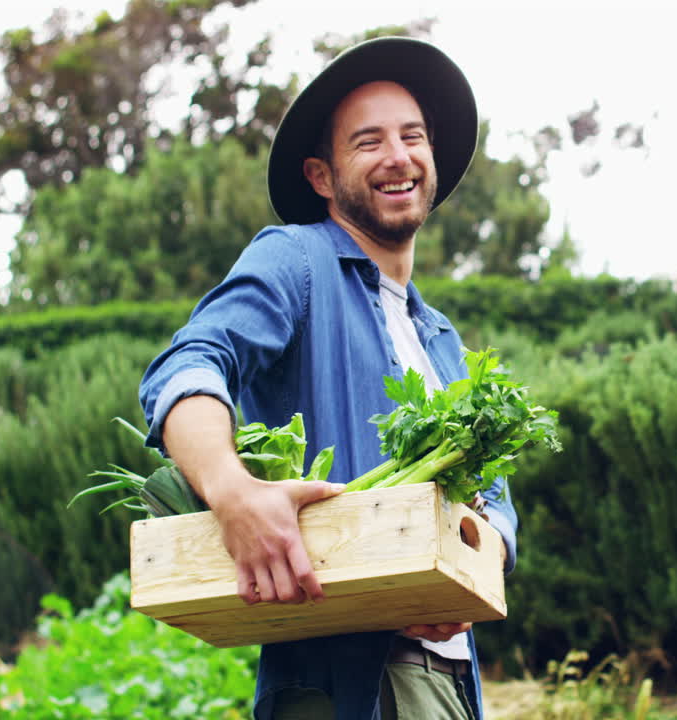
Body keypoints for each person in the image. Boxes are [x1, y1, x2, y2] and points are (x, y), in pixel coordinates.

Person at [137, 37, 518, 720]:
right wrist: (232, 491)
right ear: (320, 176)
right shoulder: (298, 262)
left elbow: (495, 501)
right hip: (341, 680)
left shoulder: (442, 339)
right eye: (368, 142)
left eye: (414, 136)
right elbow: (188, 366)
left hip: (453, 682)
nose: (398, 157)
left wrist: (469, 565)